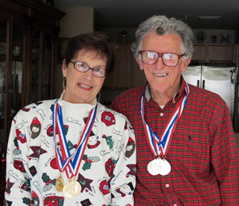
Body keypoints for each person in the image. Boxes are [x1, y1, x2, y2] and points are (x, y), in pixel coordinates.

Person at [111, 15, 239, 205]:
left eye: (170, 56)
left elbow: (230, 175)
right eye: (150, 55)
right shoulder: (122, 107)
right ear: (140, 60)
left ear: (185, 62)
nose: (159, 64)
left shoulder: (212, 107)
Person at [5, 33, 136, 206]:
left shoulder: (119, 126)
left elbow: (123, 194)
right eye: (81, 65)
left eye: (98, 69)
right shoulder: (28, 118)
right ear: (65, 67)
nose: (89, 77)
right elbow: (16, 188)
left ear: (104, 77)